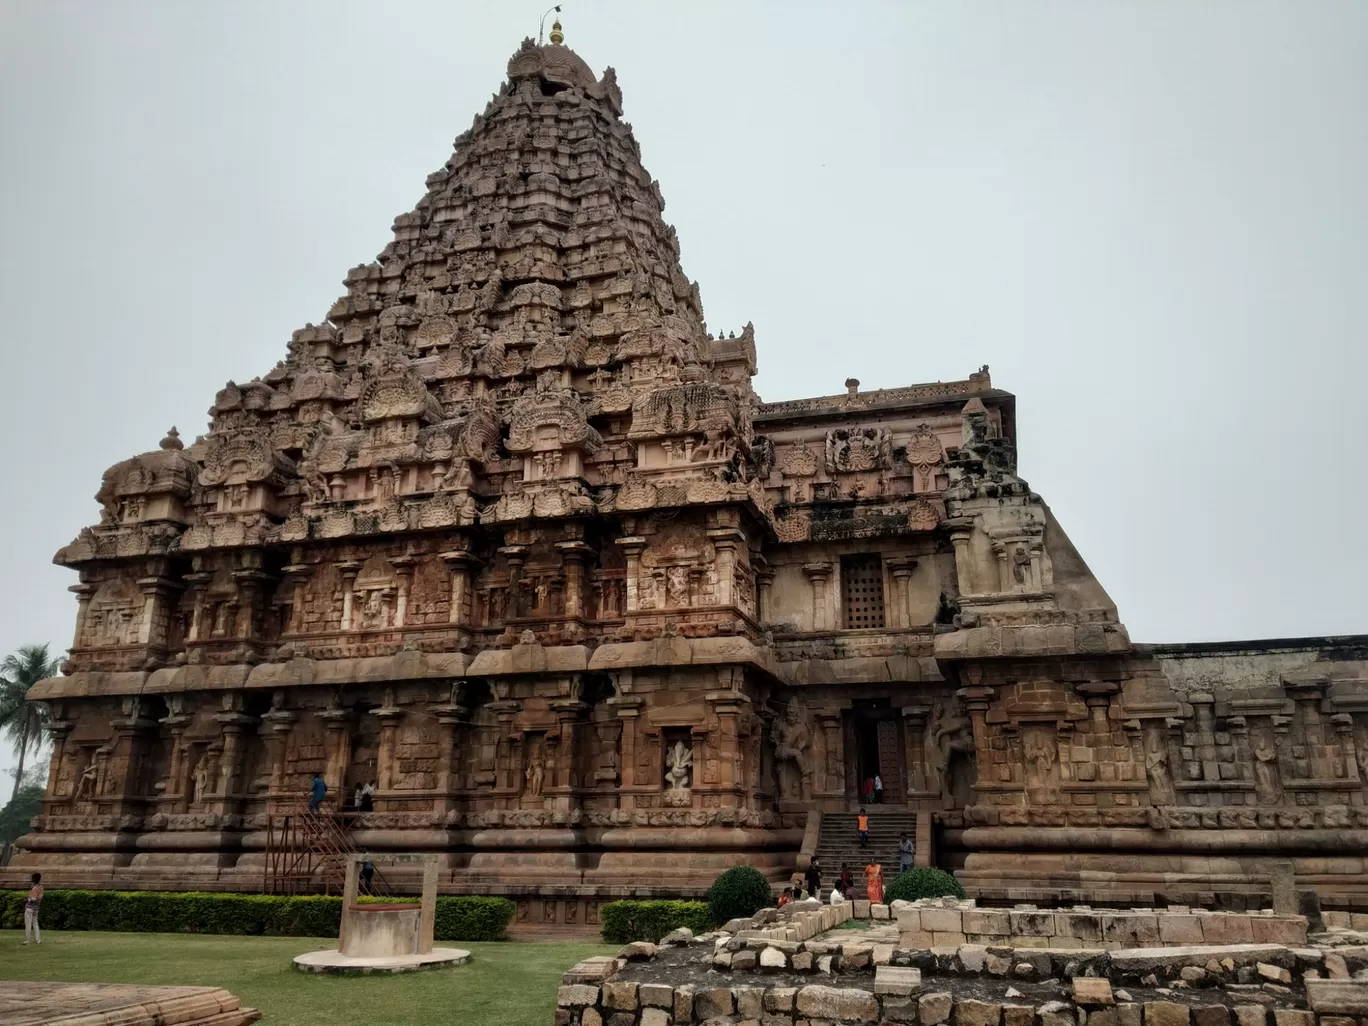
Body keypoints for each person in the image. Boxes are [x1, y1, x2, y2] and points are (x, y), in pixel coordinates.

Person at [24, 872, 42, 945]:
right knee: (35, 923)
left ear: (34, 879)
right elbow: (39, 897)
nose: (31, 879)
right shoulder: (41, 887)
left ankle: (27, 940)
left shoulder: (34, 888)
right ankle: (38, 939)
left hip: (30, 908)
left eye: (32, 878)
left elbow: (33, 899)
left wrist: (27, 899)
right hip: (36, 908)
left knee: (28, 924)